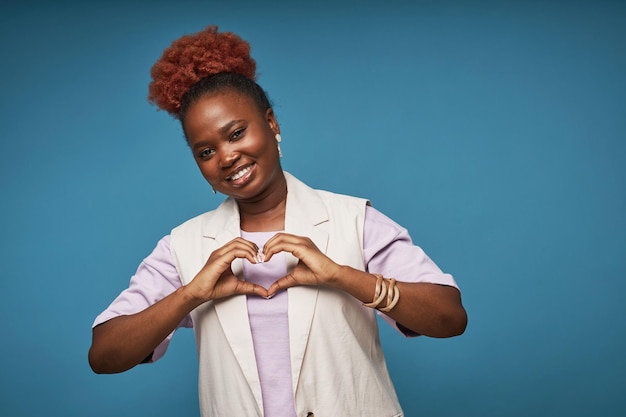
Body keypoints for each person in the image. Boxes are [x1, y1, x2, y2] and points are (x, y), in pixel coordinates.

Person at [88, 25, 467, 417]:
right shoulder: (185, 246)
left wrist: (341, 276)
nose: (226, 156)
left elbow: (450, 317)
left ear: (272, 124)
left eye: (236, 133)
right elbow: (104, 355)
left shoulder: (352, 219)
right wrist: (191, 294)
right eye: (205, 151)